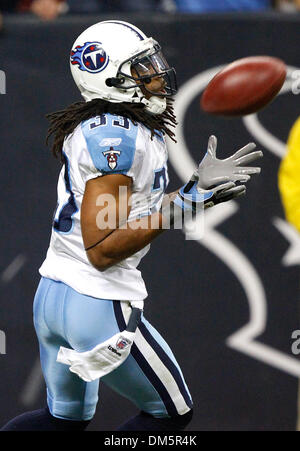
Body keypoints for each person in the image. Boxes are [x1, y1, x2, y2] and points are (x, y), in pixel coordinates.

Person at [0, 20, 262, 431]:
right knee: (172, 414)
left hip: (55, 294)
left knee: (61, 422)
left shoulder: (119, 127)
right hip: (96, 300)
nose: (157, 73)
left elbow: (132, 214)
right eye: (141, 66)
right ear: (111, 77)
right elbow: (102, 248)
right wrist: (183, 207)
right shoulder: (118, 140)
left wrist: (193, 193)